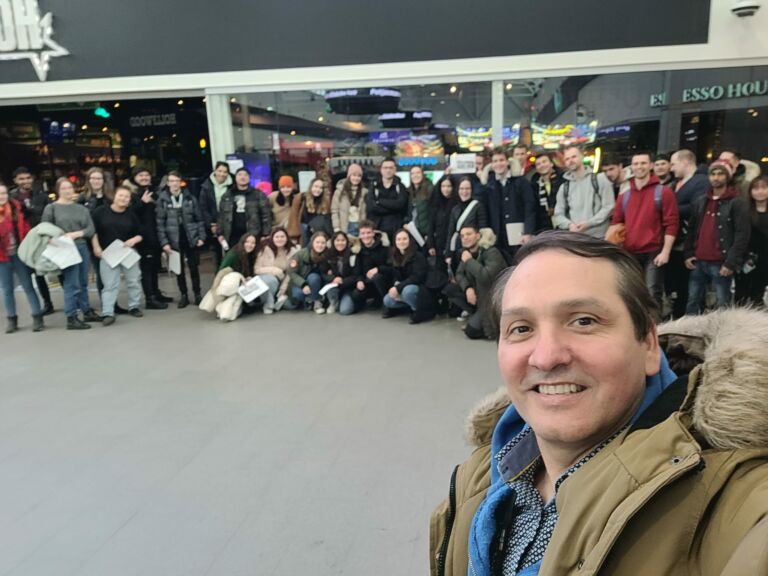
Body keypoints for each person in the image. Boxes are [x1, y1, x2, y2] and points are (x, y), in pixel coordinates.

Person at [430, 231, 768, 576]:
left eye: (583, 321)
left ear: (649, 344)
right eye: (521, 328)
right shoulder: (480, 475)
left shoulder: (735, 503)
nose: (546, 358)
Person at [610, 152, 679, 313]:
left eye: (643, 163)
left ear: (650, 166)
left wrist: (665, 252)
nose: (639, 167)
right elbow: (616, 223)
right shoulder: (625, 196)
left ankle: (656, 332)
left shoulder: (663, 192)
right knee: (631, 292)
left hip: (653, 251)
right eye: (636, 164)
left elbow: (671, 223)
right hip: (630, 251)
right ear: (631, 167)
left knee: (652, 292)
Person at [683, 161, 750, 314]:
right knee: (692, 301)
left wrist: (731, 262)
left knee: (722, 304)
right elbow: (692, 229)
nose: (716, 177)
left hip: (721, 262)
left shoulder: (737, 202)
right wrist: (688, 254)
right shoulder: (701, 200)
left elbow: (742, 235)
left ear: (727, 177)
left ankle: (722, 335)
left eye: (720, 174)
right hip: (699, 261)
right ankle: (688, 335)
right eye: (712, 174)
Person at [41, 178, 99, 330]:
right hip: (64, 248)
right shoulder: (51, 208)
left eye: (70, 188)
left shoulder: (81, 209)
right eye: (64, 188)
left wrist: (78, 233)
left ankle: (86, 311)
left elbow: (90, 229)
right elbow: (44, 228)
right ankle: (71, 316)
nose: (67, 191)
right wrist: (55, 240)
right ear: (58, 190)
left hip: (81, 247)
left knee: (83, 282)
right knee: (71, 283)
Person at [442, 224, 505, 340]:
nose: (465, 237)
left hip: (491, 299)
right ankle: (476, 314)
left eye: (468, 234)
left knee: (471, 331)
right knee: (449, 289)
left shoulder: (492, 252)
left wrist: (469, 261)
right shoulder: (467, 253)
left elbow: (486, 277)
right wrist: (468, 288)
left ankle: (489, 320)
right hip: (478, 296)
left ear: (478, 236)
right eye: (462, 236)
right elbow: (459, 274)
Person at [667, 149, 710, 318]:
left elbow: (696, 207)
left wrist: (669, 210)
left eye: (673, 164)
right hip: (675, 241)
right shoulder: (676, 183)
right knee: (675, 286)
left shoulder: (701, 182)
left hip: (688, 243)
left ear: (686, 162)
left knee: (688, 289)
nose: (671, 168)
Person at [92, 186, 144, 326]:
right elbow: (93, 232)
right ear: (114, 196)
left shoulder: (131, 214)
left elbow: (140, 233)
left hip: (128, 252)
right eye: (121, 195)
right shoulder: (100, 212)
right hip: (108, 253)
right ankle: (108, 312)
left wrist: (134, 240)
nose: (123, 199)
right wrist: (96, 247)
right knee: (109, 284)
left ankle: (134, 306)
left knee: (133, 281)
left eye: (127, 197)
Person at [156, 171, 207, 308]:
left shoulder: (190, 198)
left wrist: (201, 237)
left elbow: (199, 219)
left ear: (181, 182)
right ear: (167, 183)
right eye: (171, 181)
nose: (174, 184)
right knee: (178, 269)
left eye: (177, 181)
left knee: (194, 268)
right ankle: (183, 295)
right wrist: (164, 242)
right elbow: (160, 223)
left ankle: (197, 293)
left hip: (190, 237)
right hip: (173, 240)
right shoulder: (162, 199)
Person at [479, 147, 537, 261]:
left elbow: (530, 208)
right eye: (495, 161)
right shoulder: (489, 185)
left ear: (507, 162)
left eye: (501, 160)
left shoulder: (521, 182)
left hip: (518, 235)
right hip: (497, 236)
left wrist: (528, 232)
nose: (498, 164)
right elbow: (484, 209)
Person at [0, 182, 43, 333]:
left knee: (28, 286)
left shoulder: (16, 208)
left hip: (19, 254)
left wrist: (28, 248)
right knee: (6, 289)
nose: (2, 197)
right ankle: (12, 320)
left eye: (4, 193)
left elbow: (26, 229)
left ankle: (37, 317)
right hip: (2, 257)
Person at [10, 166, 53, 315]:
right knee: (37, 273)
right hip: (26, 241)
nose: (25, 181)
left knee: (59, 270)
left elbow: (50, 213)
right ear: (15, 180)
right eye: (21, 179)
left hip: (45, 237)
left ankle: (74, 302)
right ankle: (48, 303)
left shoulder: (41, 194)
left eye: (28, 178)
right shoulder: (11, 198)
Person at [553, 146, 614, 239]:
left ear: (582, 157)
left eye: (574, 157)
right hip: (577, 238)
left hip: (600, 237)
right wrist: (569, 225)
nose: (570, 160)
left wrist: (589, 223)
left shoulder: (600, 179)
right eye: (567, 159)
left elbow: (609, 206)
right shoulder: (564, 187)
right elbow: (558, 214)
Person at [131, 167, 168, 310]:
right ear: (135, 177)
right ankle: (150, 298)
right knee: (146, 268)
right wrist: (142, 202)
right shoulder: (133, 194)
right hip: (144, 238)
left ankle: (156, 293)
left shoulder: (155, 192)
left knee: (154, 267)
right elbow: (130, 214)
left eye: (146, 175)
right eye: (141, 175)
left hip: (156, 235)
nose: (144, 177)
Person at [381, 229, 429, 323]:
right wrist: (396, 284)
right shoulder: (394, 255)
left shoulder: (418, 255)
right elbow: (394, 274)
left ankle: (418, 311)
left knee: (408, 292)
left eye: (404, 239)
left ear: (409, 240)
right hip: (402, 285)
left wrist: (398, 288)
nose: (401, 242)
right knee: (387, 300)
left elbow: (417, 277)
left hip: (418, 287)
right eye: (398, 239)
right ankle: (408, 307)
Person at [217, 167, 271, 250]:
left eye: (246, 175)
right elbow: (221, 216)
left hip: (253, 235)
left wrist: (265, 234)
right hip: (232, 236)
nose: (243, 177)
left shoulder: (258, 194)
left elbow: (266, 215)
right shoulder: (227, 195)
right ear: (235, 178)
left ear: (249, 178)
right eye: (240, 175)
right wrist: (220, 233)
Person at [735, 176, 768, 307]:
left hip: (765, 260)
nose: (759, 191)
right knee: (741, 295)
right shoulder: (744, 210)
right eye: (756, 188)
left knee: (758, 295)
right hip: (747, 258)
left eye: (764, 188)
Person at [254, 227, 298, 314]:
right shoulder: (265, 249)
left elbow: (292, 271)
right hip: (267, 279)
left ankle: (277, 299)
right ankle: (269, 304)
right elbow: (256, 269)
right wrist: (274, 270)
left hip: (284, 281)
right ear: (272, 238)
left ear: (286, 238)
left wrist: (283, 287)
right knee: (271, 280)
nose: (280, 239)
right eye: (277, 237)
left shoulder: (293, 251)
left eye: (282, 237)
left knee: (290, 306)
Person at [349, 219, 391, 312]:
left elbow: (392, 267)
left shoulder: (384, 247)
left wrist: (378, 269)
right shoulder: (358, 249)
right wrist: (359, 280)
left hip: (384, 281)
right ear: (359, 235)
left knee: (377, 277)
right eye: (363, 233)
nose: (366, 236)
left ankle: (387, 304)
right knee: (356, 294)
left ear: (373, 233)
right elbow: (357, 270)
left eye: (368, 233)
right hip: (367, 282)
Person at [445, 177, 488, 265]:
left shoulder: (478, 206)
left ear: (472, 190)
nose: (464, 191)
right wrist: (448, 254)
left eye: (467, 188)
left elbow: (483, 229)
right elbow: (450, 232)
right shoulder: (455, 209)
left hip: (473, 248)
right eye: (462, 188)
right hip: (456, 247)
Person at [288, 230, 333, 313]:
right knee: (298, 295)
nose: (320, 245)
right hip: (301, 282)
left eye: (323, 243)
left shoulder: (329, 255)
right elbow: (292, 272)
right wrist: (303, 284)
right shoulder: (301, 254)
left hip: (319, 282)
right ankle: (309, 300)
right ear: (312, 242)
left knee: (314, 277)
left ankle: (316, 302)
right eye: (317, 242)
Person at [365, 157, 408, 243]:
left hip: (396, 228)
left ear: (395, 169)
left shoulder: (400, 186)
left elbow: (400, 205)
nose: (388, 170)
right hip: (377, 227)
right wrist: (392, 207)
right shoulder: (373, 186)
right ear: (381, 169)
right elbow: (371, 207)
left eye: (391, 168)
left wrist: (379, 201)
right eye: (385, 168)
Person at [199, 161, 232, 267]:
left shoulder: (232, 186)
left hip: (230, 224)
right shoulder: (206, 186)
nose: (222, 174)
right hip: (214, 224)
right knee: (216, 254)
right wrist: (210, 224)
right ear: (215, 171)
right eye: (220, 171)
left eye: (225, 172)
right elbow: (203, 207)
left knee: (231, 252)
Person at [288, 177, 332, 246]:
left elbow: (327, 219)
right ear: (311, 187)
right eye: (316, 186)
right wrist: (293, 236)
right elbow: (293, 217)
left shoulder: (325, 201)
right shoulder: (300, 198)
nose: (318, 189)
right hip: (304, 232)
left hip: (318, 232)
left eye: (321, 188)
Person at [325, 231, 359, 315]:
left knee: (345, 311)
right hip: (333, 286)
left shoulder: (353, 254)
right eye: (337, 240)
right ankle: (333, 302)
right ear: (333, 241)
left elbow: (356, 275)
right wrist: (333, 278)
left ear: (347, 242)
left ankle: (345, 301)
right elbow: (323, 273)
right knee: (331, 288)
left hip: (348, 287)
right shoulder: (328, 254)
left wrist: (342, 281)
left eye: (343, 240)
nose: (340, 243)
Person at [530, 153, 565, 233]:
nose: (542, 165)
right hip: (545, 227)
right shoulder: (535, 185)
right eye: (538, 164)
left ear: (551, 163)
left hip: (564, 223)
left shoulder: (563, 179)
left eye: (544, 162)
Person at [426, 175, 458, 262]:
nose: (446, 189)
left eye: (449, 186)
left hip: (453, 243)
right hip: (438, 244)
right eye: (443, 186)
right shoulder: (435, 203)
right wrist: (431, 244)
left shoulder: (457, 203)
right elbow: (431, 226)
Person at [331, 164, 367, 236]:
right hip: (344, 226)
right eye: (354, 175)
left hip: (360, 226)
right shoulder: (340, 191)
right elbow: (334, 210)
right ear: (349, 176)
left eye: (359, 176)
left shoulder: (364, 192)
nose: (356, 178)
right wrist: (337, 228)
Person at [406, 166, 432, 243]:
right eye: (412, 173)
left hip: (425, 231)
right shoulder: (408, 191)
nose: (415, 175)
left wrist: (429, 233)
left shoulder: (429, 189)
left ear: (423, 174)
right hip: (412, 231)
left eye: (418, 173)